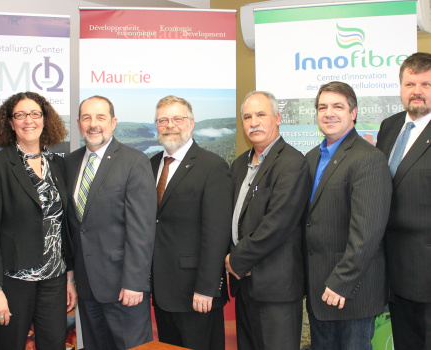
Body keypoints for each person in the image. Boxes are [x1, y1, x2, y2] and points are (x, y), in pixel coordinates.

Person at [0, 91, 76, 350]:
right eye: (20, 115)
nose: (28, 120)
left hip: (54, 281)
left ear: (45, 120)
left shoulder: (57, 164)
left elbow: (62, 227)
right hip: (14, 283)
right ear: (10, 123)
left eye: (35, 113)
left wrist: (69, 278)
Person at [304, 81, 392, 349]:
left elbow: (368, 232)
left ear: (353, 112)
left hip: (351, 293)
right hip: (319, 291)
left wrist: (341, 282)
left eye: (337, 106)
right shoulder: (310, 158)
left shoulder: (369, 159)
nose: (329, 112)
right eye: (322, 107)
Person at [65, 96, 156, 350]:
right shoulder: (70, 163)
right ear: (79, 123)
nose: (93, 124)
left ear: (114, 122)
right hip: (87, 288)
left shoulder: (134, 161)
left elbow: (142, 229)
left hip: (123, 288)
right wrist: (71, 279)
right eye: (86, 118)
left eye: (100, 117)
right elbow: (73, 229)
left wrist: (135, 283)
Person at [224, 91, 311, 350]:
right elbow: (232, 219)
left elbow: (278, 224)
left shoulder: (292, 163)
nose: (254, 122)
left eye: (261, 114)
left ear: (277, 118)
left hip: (276, 289)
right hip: (245, 285)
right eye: (247, 117)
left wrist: (238, 259)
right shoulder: (239, 165)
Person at [150, 95, 232, 350]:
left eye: (177, 118)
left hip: (197, 293)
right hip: (162, 292)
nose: (170, 125)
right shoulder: (150, 164)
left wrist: (207, 288)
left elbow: (217, 233)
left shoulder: (212, 167)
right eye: (163, 120)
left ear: (191, 123)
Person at [377, 52, 431, 349]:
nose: (417, 91)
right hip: (392, 273)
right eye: (410, 83)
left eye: (426, 84)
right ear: (400, 88)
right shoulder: (390, 126)